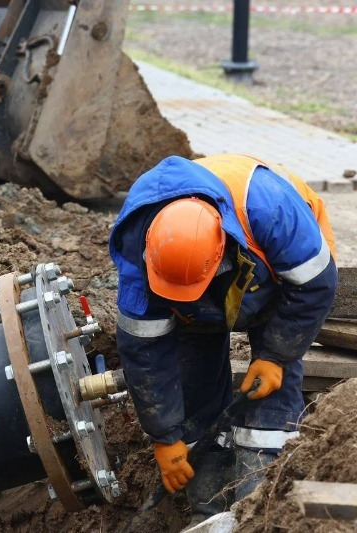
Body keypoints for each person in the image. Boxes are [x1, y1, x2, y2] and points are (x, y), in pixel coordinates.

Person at [109, 154, 337, 521]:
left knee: (272, 397)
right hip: (197, 287)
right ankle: (207, 510)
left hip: (276, 276)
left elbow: (315, 286)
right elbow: (144, 352)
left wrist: (277, 354)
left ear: (221, 253)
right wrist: (165, 436)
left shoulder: (272, 211)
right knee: (192, 384)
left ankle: (256, 508)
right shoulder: (140, 259)